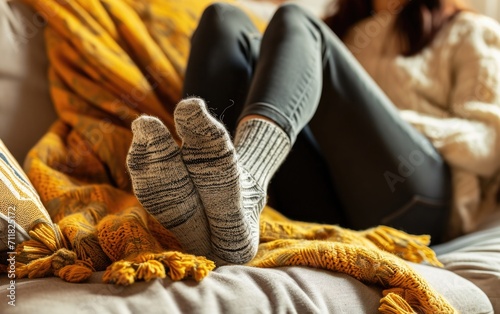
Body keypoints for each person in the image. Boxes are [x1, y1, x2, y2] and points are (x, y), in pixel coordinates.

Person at [126, 0, 500, 264]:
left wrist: (385, 120)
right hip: (329, 199)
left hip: (415, 198)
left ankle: (247, 184)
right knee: (222, 19)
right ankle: (211, 219)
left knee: (295, 18)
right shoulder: (342, 29)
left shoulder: (468, 30)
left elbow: (487, 141)